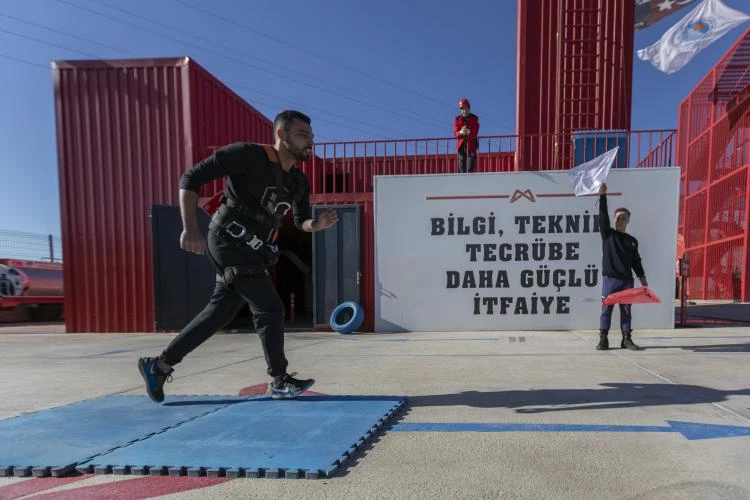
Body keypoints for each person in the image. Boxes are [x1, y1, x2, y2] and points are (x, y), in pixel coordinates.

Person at [138, 110, 339, 403]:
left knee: (218, 313)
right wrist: (190, 228)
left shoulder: (298, 181)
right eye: (302, 135)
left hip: (255, 250)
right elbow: (191, 178)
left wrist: (316, 225)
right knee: (269, 307)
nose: (310, 142)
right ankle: (280, 380)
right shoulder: (247, 155)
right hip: (226, 240)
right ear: (281, 135)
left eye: (312, 136)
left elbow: (300, 221)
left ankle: (159, 366)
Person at [597, 183, 647, 351]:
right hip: (610, 280)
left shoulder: (632, 241)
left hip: (626, 281)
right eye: (617, 218)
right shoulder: (608, 235)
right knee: (606, 310)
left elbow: (636, 261)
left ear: (628, 220)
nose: (619, 220)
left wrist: (642, 277)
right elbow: (602, 216)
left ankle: (626, 339)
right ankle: (603, 339)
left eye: (623, 218)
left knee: (626, 311)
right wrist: (602, 197)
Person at [453, 98, 479, 173]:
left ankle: (470, 183)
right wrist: (460, 132)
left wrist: (469, 131)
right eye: (462, 109)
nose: (464, 111)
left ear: (468, 108)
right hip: (461, 146)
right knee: (462, 169)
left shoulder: (474, 119)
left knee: (471, 167)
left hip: (471, 146)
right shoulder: (457, 119)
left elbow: (475, 131)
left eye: (465, 109)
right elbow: (455, 133)